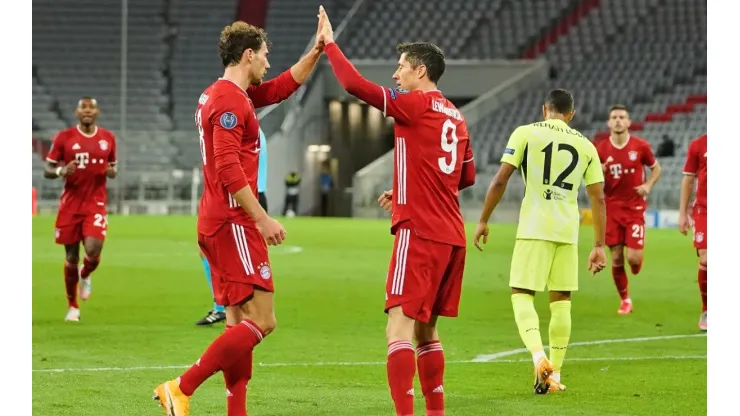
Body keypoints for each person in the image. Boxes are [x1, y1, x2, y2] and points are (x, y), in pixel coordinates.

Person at [153, 19, 323, 416]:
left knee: (236, 322)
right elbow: (229, 168)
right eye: (264, 55)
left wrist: (316, 51)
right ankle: (181, 386)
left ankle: (236, 411)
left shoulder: (221, 94)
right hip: (233, 222)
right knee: (262, 321)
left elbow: (281, 87)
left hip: (214, 219)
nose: (268, 63)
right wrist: (262, 217)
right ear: (248, 55)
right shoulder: (230, 102)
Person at [319, 7, 476, 415]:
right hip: (451, 235)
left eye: (401, 67)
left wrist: (330, 45)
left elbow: (354, 84)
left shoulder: (414, 104)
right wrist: (409, 187)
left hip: (419, 231)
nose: (395, 75)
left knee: (398, 328)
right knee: (427, 330)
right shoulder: (457, 118)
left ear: (420, 71)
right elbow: (465, 176)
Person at [473, 89, 607, 394]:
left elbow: (500, 179)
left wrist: (483, 219)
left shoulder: (525, 133)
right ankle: (555, 375)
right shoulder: (586, 145)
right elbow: (598, 197)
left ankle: (538, 356)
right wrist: (598, 245)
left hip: (534, 226)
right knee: (561, 301)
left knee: (521, 293)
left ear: (544, 109)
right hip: (566, 231)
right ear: (571, 114)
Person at [44, 97, 118, 322]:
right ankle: (72, 306)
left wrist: (111, 172)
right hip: (70, 206)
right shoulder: (64, 137)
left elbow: (112, 166)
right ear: (77, 112)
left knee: (93, 251)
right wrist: (60, 171)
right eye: (83, 107)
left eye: (91, 107)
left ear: (97, 112)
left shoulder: (107, 138)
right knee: (71, 256)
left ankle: (85, 275)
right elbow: (48, 168)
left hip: (95, 204)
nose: (87, 111)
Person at [196, 127, 268, 327]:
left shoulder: (242, 128)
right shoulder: (247, 127)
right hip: (246, 195)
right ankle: (228, 309)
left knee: (237, 262)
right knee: (211, 253)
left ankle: (245, 313)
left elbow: (230, 165)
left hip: (247, 197)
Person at [595, 104, 662, 314]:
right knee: (615, 258)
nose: (617, 120)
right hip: (612, 208)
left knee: (633, 259)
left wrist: (648, 185)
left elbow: (656, 168)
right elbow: (590, 178)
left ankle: (635, 262)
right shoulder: (601, 149)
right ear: (608, 122)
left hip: (635, 208)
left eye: (621, 117)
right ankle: (625, 300)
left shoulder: (640, 146)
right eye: (614, 117)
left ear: (628, 122)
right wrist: (599, 171)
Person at [678, 134, 707, 331]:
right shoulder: (698, 144)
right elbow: (688, 179)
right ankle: (707, 309)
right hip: (705, 210)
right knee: (706, 259)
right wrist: (682, 213)